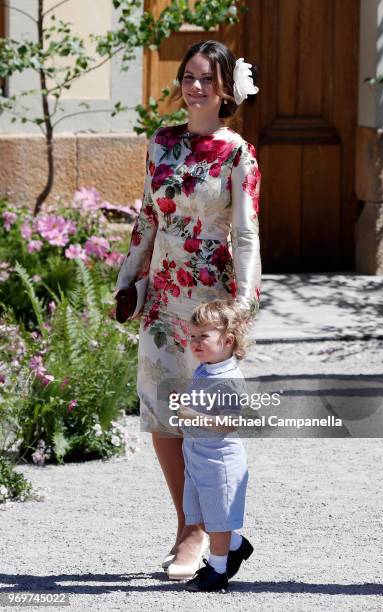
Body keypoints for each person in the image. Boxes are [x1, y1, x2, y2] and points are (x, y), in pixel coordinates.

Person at [115, 39, 261, 577]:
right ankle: (187, 527)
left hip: (209, 304)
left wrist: (242, 307)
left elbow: (247, 235)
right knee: (160, 413)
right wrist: (128, 281)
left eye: (206, 78)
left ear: (225, 89)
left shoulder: (238, 153)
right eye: (188, 76)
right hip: (161, 297)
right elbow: (147, 218)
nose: (194, 87)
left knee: (205, 420)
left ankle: (207, 531)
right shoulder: (161, 143)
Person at [170, 299, 254, 592]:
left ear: (227, 340)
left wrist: (192, 415)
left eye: (203, 336)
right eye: (192, 336)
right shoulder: (206, 369)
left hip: (220, 462)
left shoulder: (229, 378)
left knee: (217, 517)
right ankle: (236, 544)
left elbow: (230, 422)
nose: (195, 342)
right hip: (198, 458)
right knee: (204, 515)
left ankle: (217, 570)